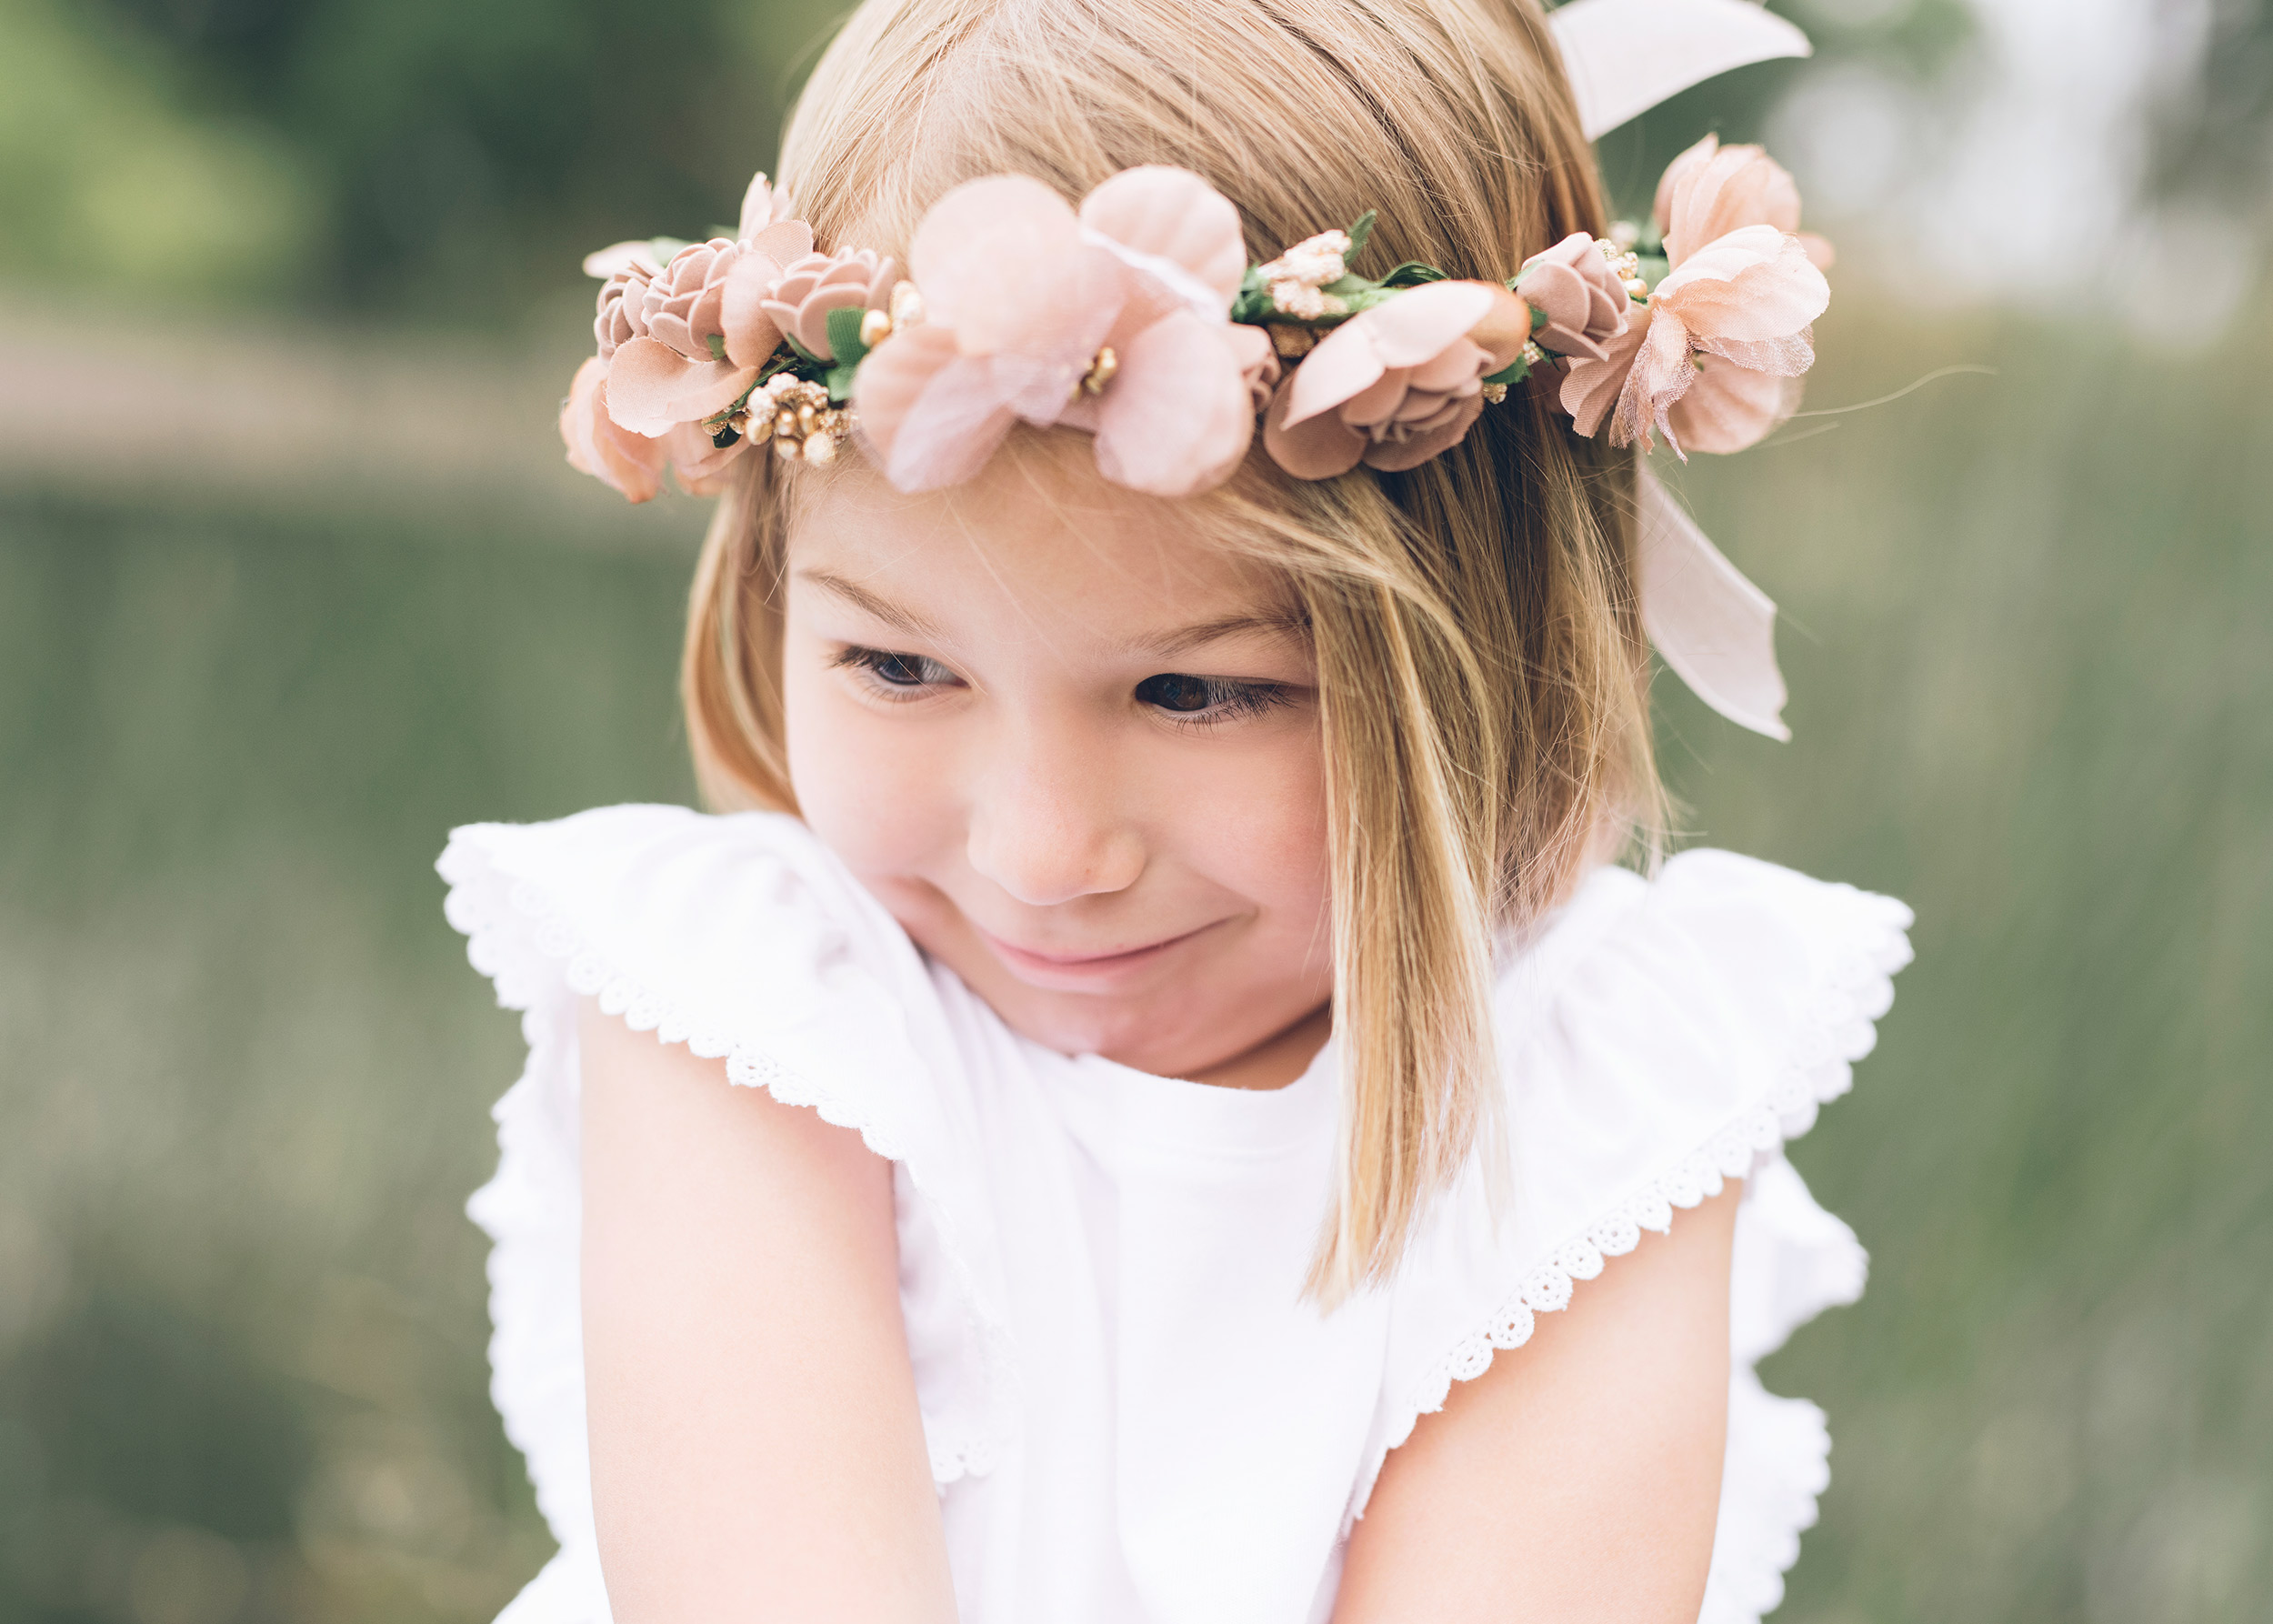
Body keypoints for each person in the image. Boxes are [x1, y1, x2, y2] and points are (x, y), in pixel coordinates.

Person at [440, 0, 1913, 1618]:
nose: (1043, 852)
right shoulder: (744, 1022)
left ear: (1493, 652)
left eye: (1197, 692)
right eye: (900, 665)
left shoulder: (1595, 1090)